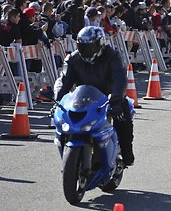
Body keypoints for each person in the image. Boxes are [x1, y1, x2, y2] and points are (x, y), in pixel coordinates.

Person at [54, 26, 134, 166]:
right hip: (81, 100)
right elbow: (64, 80)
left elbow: (119, 79)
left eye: (90, 47)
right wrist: (58, 100)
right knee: (63, 123)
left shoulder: (112, 56)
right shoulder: (73, 59)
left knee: (123, 115)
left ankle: (126, 153)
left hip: (108, 98)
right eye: (82, 46)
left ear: (100, 44)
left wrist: (116, 100)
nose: (86, 51)